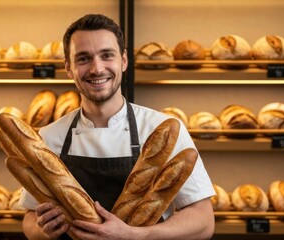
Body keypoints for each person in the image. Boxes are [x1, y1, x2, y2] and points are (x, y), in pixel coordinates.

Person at [19, 13, 215, 240]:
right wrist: (42, 229)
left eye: (106, 55)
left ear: (123, 60)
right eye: (83, 59)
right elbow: (29, 221)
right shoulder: (48, 136)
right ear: (68, 68)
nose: (96, 68)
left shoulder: (163, 129)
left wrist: (135, 235)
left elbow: (203, 221)